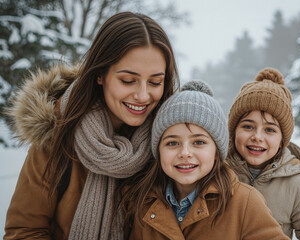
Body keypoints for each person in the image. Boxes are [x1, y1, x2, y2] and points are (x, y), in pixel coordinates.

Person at [4, 12, 179, 239]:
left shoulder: (172, 143)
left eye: (155, 82)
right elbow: (24, 232)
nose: (143, 95)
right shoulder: (57, 137)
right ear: (100, 75)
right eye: (128, 80)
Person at [119, 80, 290, 240]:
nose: (185, 153)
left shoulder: (245, 202)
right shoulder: (138, 200)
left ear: (217, 151)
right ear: (159, 150)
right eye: (172, 143)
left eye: (198, 142)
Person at [227, 68, 300, 239]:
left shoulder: (299, 185)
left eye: (269, 130)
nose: (257, 137)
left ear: (282, 141)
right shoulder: (216, 173)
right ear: (233, 131)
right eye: (248, 126)